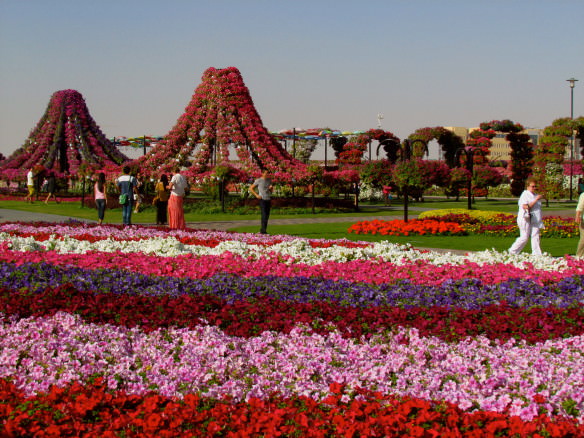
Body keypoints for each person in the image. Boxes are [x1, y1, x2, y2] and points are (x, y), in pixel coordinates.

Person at [509, 177, 545, 255]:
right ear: (528, 186)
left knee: (535, 235)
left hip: (534, 219)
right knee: (524, 237)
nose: (534, 188)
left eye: (535, 186)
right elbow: (525, 206)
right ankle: (513, 251)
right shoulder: (525, 194)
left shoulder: (535, 195)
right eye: (532, 186)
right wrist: (536, 200)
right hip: (524, 218)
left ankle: (537, 253)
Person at [249, 169, 273, 234]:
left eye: (268, 173)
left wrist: (271, 189)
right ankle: (263, 231)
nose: (267, 174)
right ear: (262, 173)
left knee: (267, 215)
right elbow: (251, 188)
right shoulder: (258, 180)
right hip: (262, 199)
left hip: (268, 199)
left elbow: (271, 191)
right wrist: (256, 195)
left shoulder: (269, 180)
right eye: (266, 173)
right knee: (264, 215)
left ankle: (263, 230)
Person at [575, 189, 584, 257]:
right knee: (583, 239)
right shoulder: (583, 195)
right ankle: (579, 255)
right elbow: (579, 207)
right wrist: (577, 216)